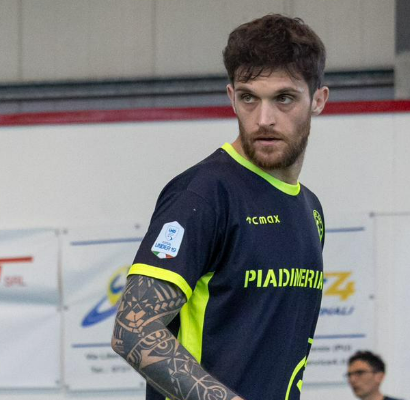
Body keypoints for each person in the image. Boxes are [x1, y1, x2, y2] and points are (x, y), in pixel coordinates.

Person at [111, 13, 329, 400]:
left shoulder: (311, 209)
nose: (264, 119)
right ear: (231, 97)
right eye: (249, 98)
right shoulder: (203, 194)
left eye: (284, 98)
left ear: (318, 100)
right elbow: (133, 330)